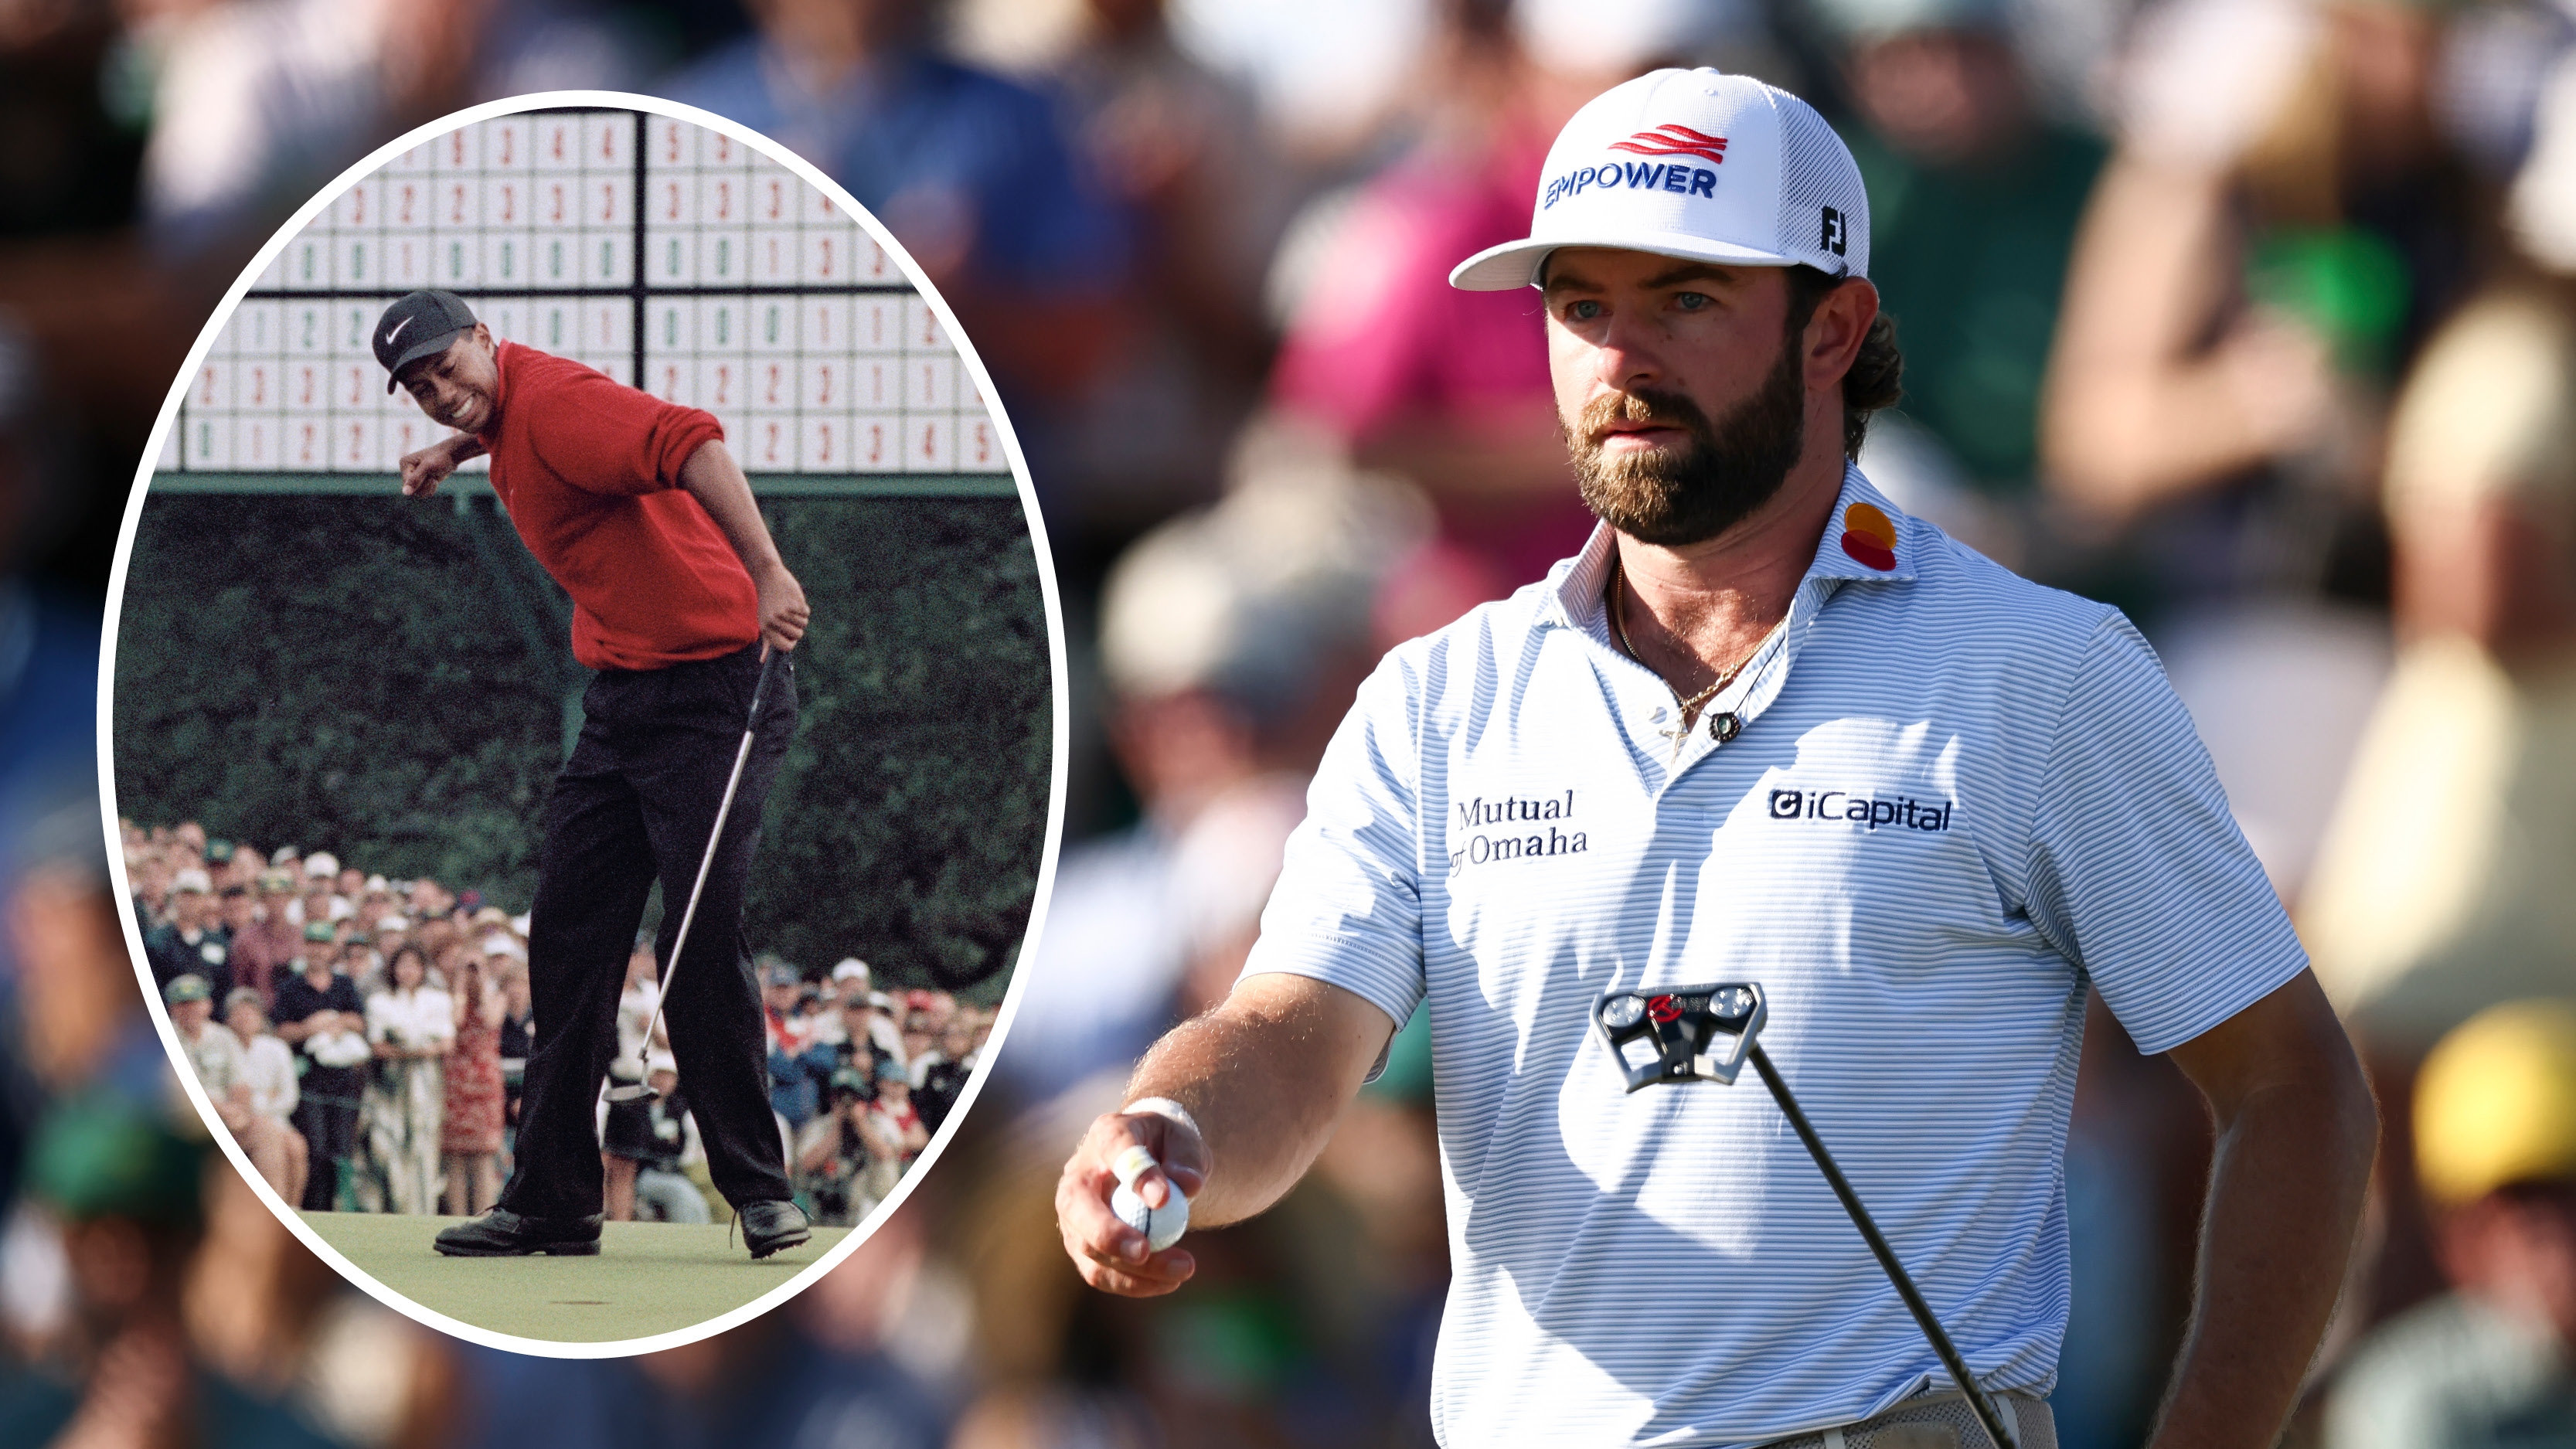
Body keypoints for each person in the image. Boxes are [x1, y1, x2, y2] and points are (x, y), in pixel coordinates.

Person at [1056, 68, 2378, 1447]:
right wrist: (1171, 1126)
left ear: (1833, 329)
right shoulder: (1434, 700)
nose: (1619, 357)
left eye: (1684, 299)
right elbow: (1289, 1043)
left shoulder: (2037, 673)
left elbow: (2290, 1088)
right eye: (1580, 306)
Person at [381, 287, 815, 1259]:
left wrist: (769, 572)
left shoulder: (560, 401)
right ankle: (552, 1204)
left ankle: (760, 1193)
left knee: (699, 940)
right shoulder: (505, 414)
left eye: (446, 368)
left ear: (487, 340)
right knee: (568, 943)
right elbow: (513, 435)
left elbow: (691, 439)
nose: (438, 392)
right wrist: (454, 450)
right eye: (417, 389)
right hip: (623, 704)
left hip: (715, 693)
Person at [2323, 1001, 2576, 1446]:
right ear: (2457, 1241)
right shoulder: (2408, 1401)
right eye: (2523, 1208)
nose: (2559, 1240)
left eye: (2569, 1194)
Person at [271, 923, 366, 1212]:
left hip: (343, 1078)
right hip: (308, 1078)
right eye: (312, 943)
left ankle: (340, 1209)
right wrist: (308, 1029)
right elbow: (281, 1031)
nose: (317, 950)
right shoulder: (290, 986)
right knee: (315, 1146)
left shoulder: (344, 984)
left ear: (331, 949)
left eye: (323, 944)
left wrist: (336, 1023)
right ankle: (315, 1209)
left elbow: (359, 1021)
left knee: (341, 1149)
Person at [362, 942, 453, 1215]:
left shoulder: (438, 1000)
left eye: (414, 965)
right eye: (403, 964)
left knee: (423, 1143)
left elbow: (446, 1043)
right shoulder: (379, 1001)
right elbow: (378, 1047)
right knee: (386, 1144)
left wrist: (420, 1050)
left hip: (425, 1081)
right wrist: (412, 1050)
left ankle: (422, 1208)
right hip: (389, 1082)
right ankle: (389, 1207)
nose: (408, 971)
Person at [441, 947, 508, 1217]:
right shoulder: (448, 998)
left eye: (476, 967)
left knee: (483, 1157)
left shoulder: (497, 996)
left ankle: (483, 1218)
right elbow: (455, 1022)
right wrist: (459, 988)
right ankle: (458, 1219)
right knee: (455, 1157)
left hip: (485, 1081)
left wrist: (482, 984)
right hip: (455, 1081)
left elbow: (491, 1019)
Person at [224, 986, 306, 1207]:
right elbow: (225, 1094)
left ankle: (294, 1210)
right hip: (233, 1121)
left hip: (275, 1119)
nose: (245, 1018)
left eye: (251, 1013)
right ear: (229, 1018)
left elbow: (289, 1096)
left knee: (296, 1148)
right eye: (239, 1013)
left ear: (261, 1018)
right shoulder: (222, 1046)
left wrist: (256, 1104)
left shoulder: (277, 1048)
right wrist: (261, 1100)